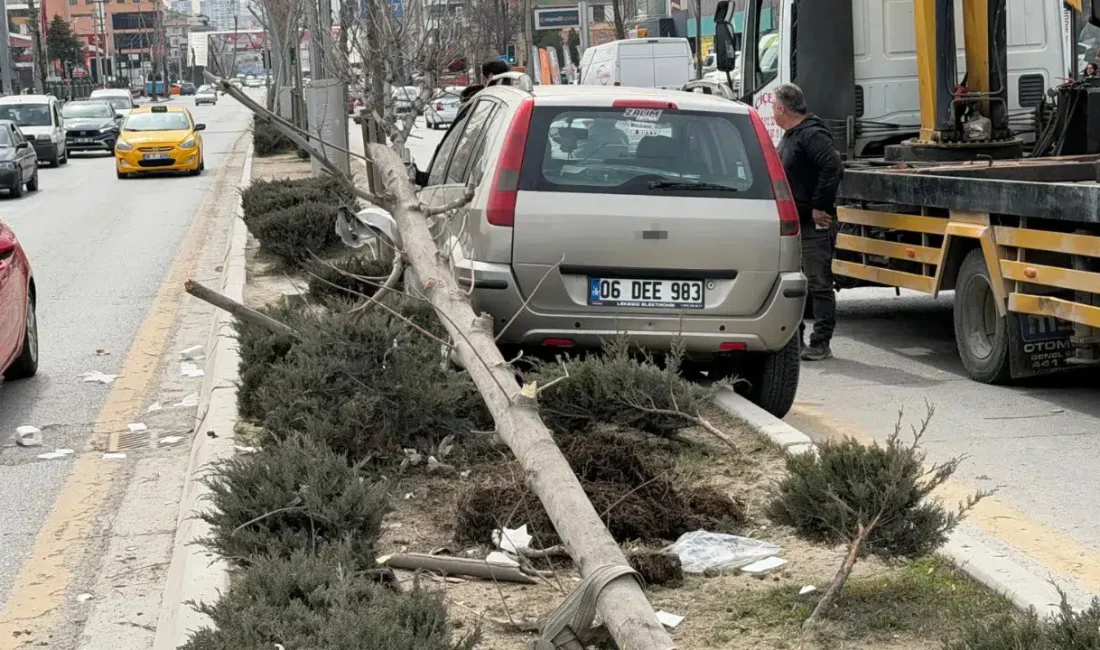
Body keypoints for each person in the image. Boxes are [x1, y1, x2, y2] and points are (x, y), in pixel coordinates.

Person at [772, 83, 844, 361]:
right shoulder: (791, 136)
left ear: (782, 108)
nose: (772, 112)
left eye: (773, 107)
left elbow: (832, 167)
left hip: (814, 226)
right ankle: (795, 340)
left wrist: (819, 207)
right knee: (795, 284)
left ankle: (820, 342)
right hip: (795, 224)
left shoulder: (812, 134)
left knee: (818, 284)